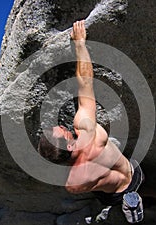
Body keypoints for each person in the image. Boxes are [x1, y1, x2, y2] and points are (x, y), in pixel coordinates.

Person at [38, 20, 144, 223]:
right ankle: (145, 200)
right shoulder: (89, 133)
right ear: (69, 143)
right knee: (146, 187)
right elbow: (86, 81)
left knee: (113, 192)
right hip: (133, 173)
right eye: (61, 130)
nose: (61, 126)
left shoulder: (72, 184)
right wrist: (79, 44)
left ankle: (130, 206)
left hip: (112, 194)